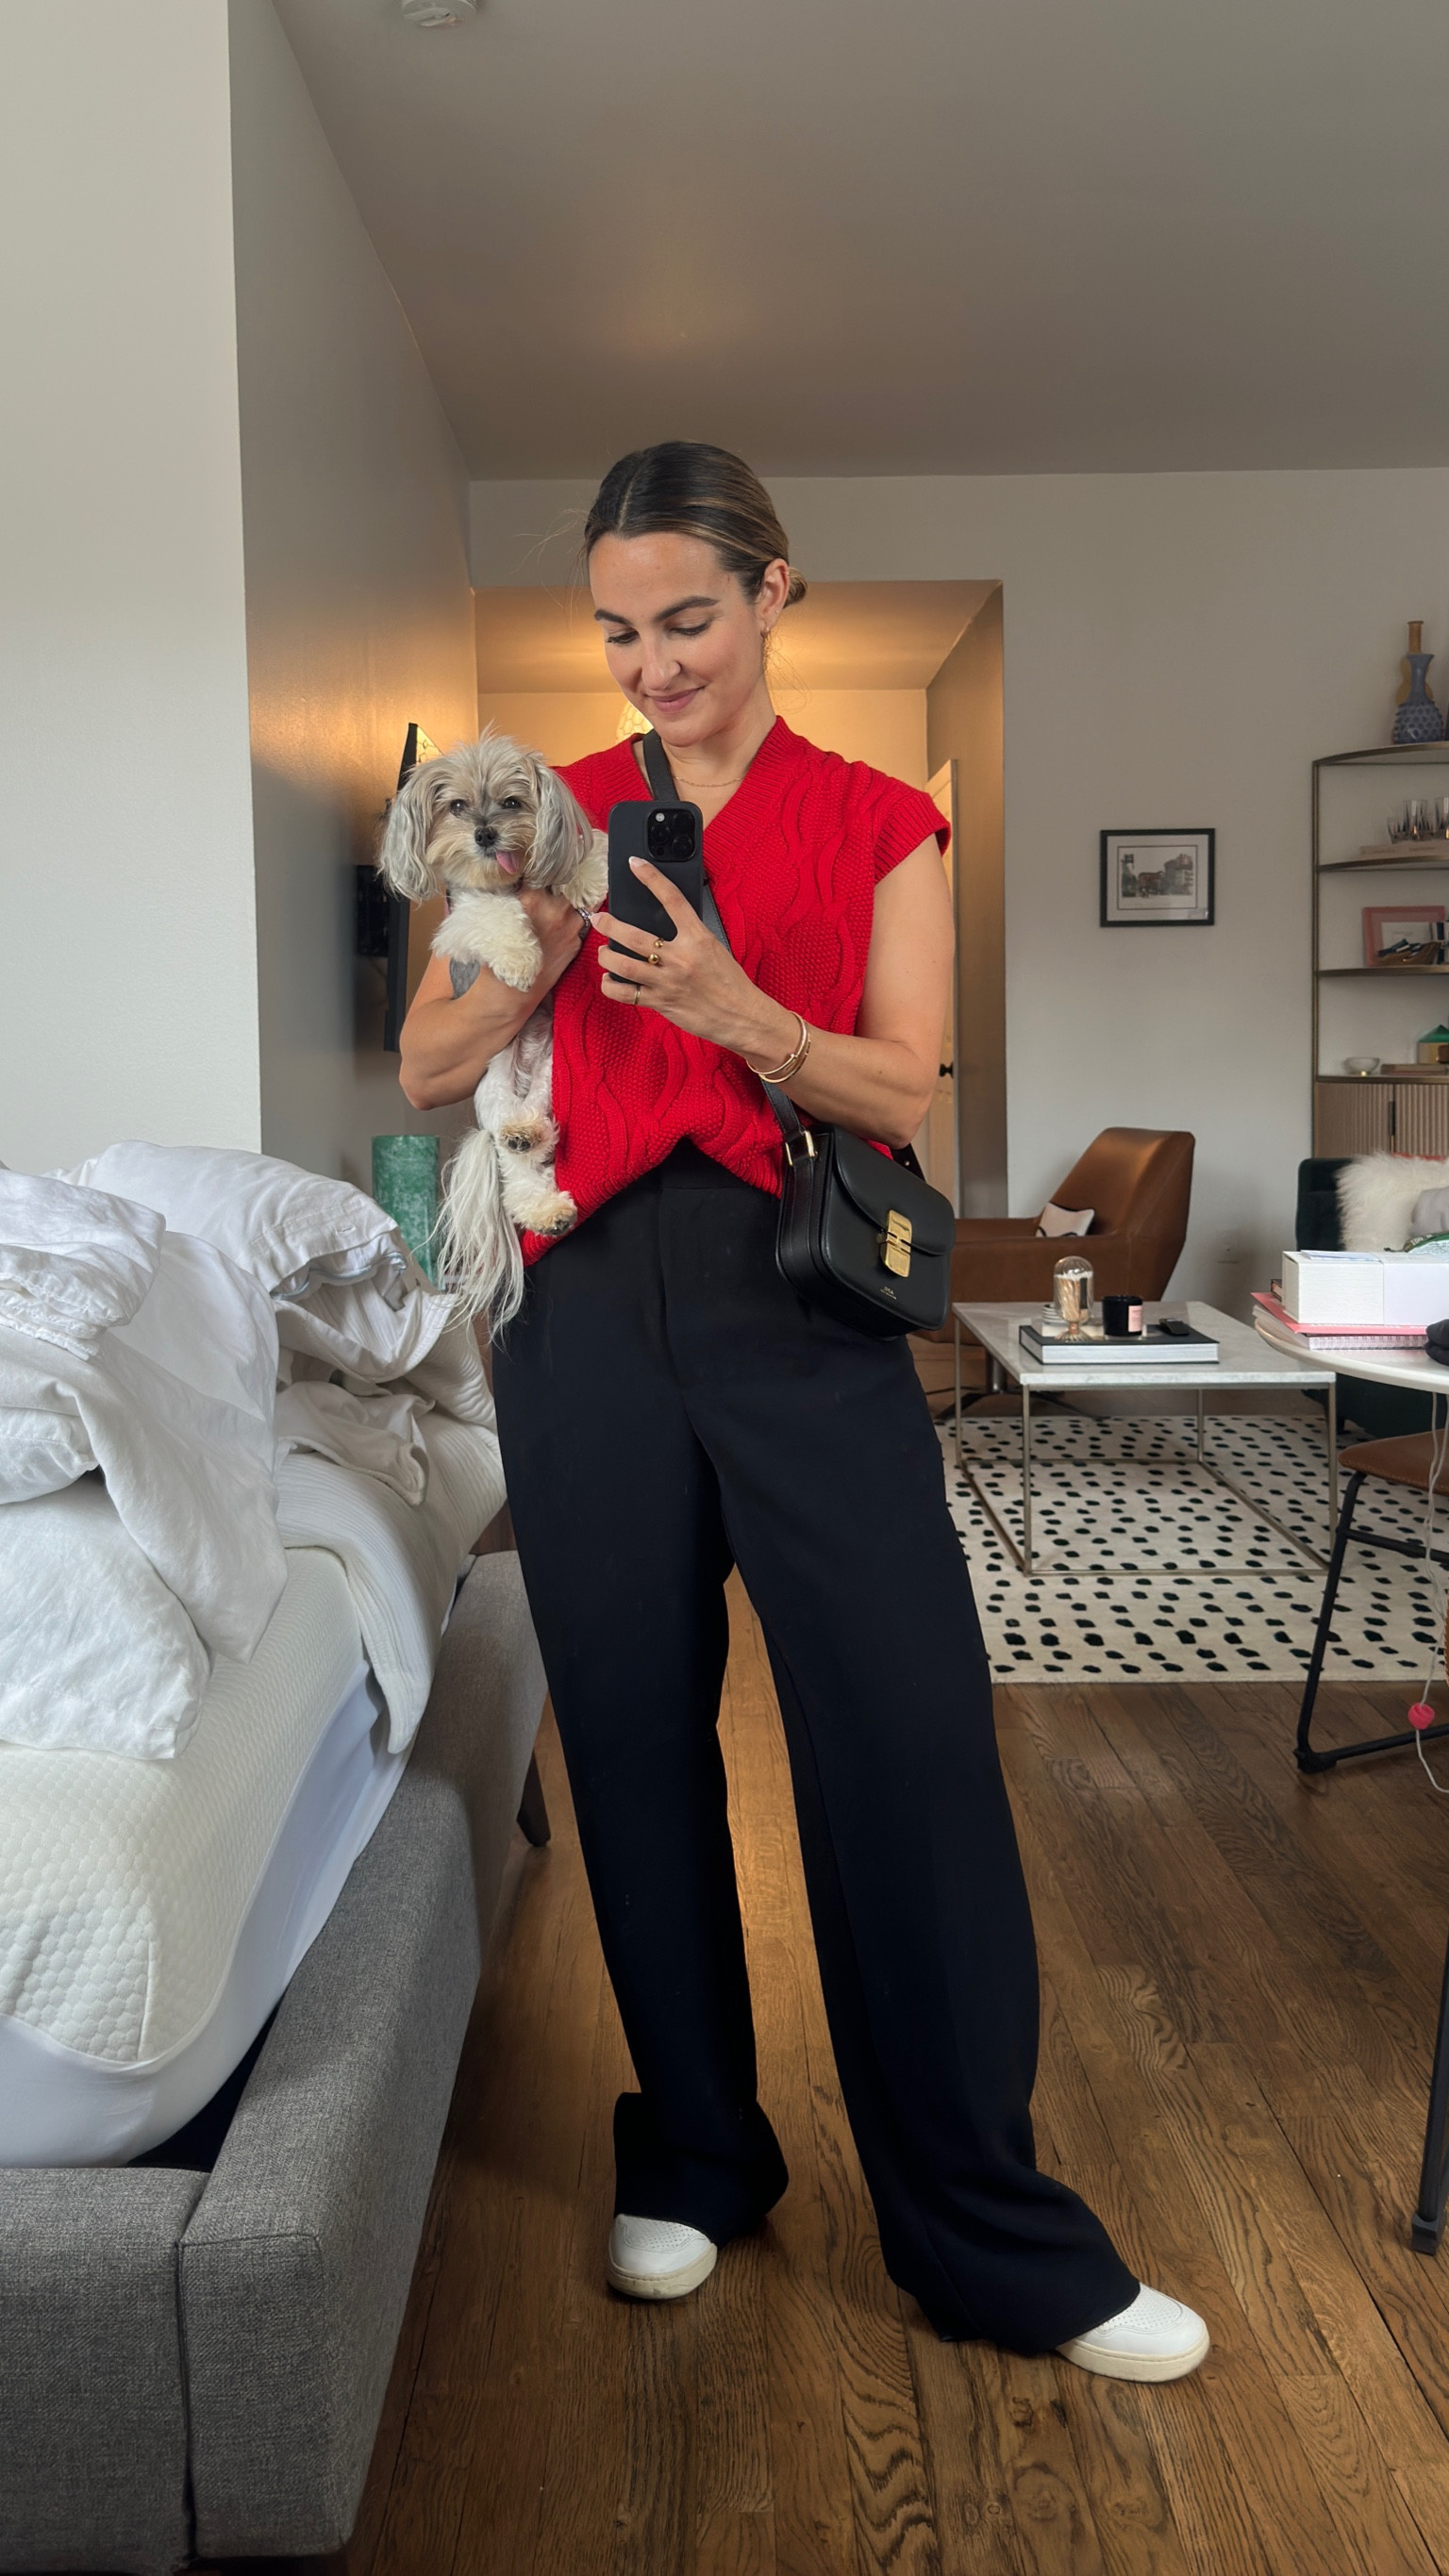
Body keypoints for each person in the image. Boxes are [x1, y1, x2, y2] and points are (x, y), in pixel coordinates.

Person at [400, 440, 1208, 2380]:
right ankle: (693, 2147)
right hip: (584, 1310)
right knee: (634, 1728)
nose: (651, 665)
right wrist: (522, 953)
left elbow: (904, 1090)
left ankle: (992, 2232)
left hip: (803, 1302)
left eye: (686, 619)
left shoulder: (879, 823)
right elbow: (429, 1060)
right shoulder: (552, 808)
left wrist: (732, 1004)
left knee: (908, 1734)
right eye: (616, 630)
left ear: (776, 594)